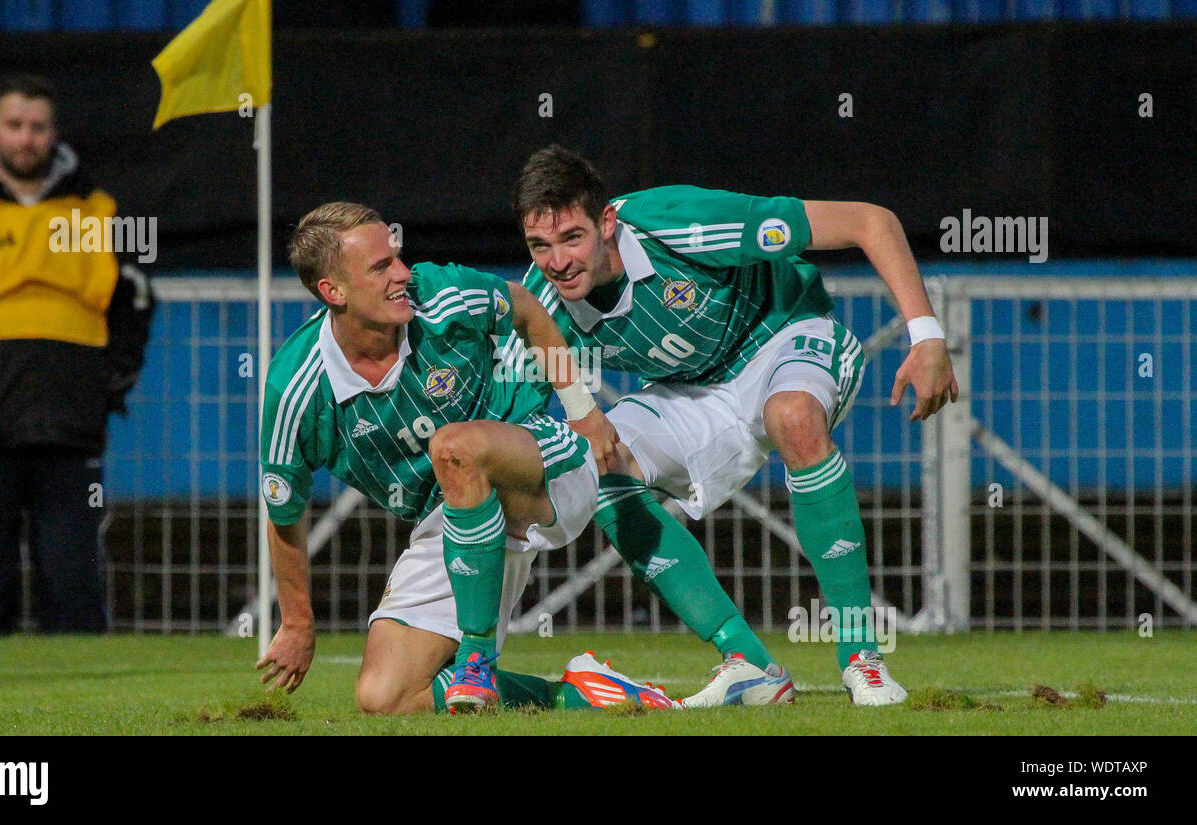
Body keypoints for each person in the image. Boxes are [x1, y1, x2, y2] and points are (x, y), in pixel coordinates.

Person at [514, 145, 959, 706]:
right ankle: (748, 662)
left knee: (792, 416)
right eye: (540, 246)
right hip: (694, 391)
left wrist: (927, 337)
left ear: (607, 223)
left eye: (571, 238)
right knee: (595, 461)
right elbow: (508, 415)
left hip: (784, 337)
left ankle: (861, 657)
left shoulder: (681, 224)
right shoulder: (539, 309)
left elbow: (872, 221)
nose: (558, 262)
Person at [254, 201, 675, 714]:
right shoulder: (296, 390)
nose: (404, 274)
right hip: (453, 519)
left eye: (398, 257)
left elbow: (523, 305)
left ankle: (476, 657)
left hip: (540, 463)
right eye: (381, 266)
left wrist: (583, 409)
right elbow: (285, 513)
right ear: (333, 291)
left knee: (454, 447)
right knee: (385, 697)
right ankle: (584, 694)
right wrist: (297, 623)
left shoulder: (441, 295)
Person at [0, 75, 155, 633]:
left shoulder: (97, 212)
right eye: (14, 125)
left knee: (75, 597)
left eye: (37, 127)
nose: (25, 138)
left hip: (72, 433)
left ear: (53, 134)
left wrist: (106, 386)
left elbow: (135, 305)